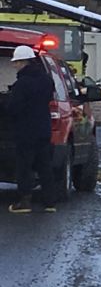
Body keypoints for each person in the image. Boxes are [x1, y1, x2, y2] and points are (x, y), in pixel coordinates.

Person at [6, 46, 57, 213]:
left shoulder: (22, 84)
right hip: (43, 129)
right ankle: (49, 202)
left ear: (23, 62)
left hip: (25, 131)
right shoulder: (47, 80)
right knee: (44, 166)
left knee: (24, 167)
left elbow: (13, 108)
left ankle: (24, 202)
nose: (15, 66)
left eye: (16, 63)